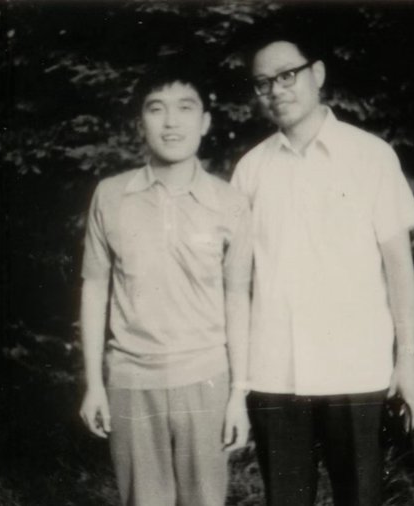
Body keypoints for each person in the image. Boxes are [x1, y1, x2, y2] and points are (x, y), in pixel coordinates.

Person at [231, 29, 414, 506]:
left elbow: (400, 270)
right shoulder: (250, 170)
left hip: (356, 367)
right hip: (275, 372)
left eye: (287, 75)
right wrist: (239, 382)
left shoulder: (371, 155)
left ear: (317, 74)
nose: (276, 90)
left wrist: (408, 360)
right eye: (263, 83)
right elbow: (236, 284)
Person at [78, 59, 252, 506]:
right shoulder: (111, 195)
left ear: (205, 121)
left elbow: (238, 298)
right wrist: (94, 384)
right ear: (141, 122)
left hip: (207, 380)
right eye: (156, 108)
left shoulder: (230, 202)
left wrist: (238, 393)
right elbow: (95, 289)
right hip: (131, 380)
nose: (171, 122)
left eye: (185, 108)